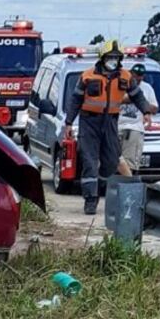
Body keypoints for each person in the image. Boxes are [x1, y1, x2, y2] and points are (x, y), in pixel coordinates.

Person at [62, 40, 152, 215]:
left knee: (112, 161)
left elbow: (138, 96)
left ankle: (101, 185)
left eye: (116, 58)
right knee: (90, 161)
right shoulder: (87, 76)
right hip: (89, 123)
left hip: (110, 122)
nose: (113, 61)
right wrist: (69, 122)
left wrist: (146, 112)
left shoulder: (125, 77)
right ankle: (90, 199)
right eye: (110, 57)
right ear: (102, 58)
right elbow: (75, 101)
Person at [117, 63, 159, 177]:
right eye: (135, 75)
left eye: (140, 76)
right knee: (114, 161)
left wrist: (141, 102)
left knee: (130, 163)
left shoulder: (147, 88)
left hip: (134, 128)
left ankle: (128, 187)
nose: (137, 78)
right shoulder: (121, 85)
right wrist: (127, 99)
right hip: (116, 127)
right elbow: (113, 100)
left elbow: (155, 108)